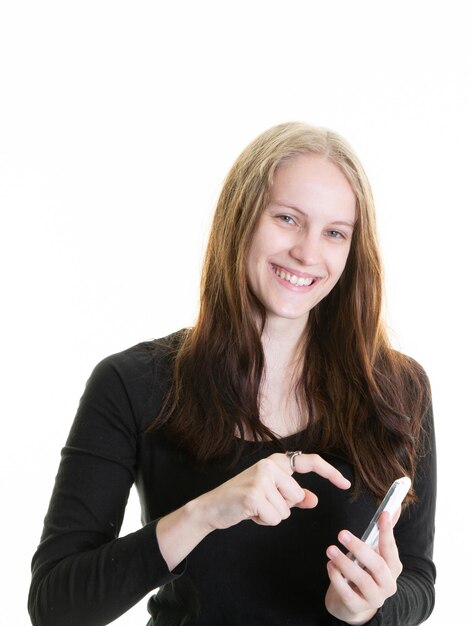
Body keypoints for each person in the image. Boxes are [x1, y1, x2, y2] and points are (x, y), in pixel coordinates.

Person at [28, 122, 436, 626]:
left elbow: (417, 575)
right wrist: (204, 514)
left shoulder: (398, 389)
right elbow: (55, 606)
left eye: (334, 233)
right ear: (240, 218)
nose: (308, 253)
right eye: (287, 218)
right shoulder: (130, 384)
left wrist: (369, 608)